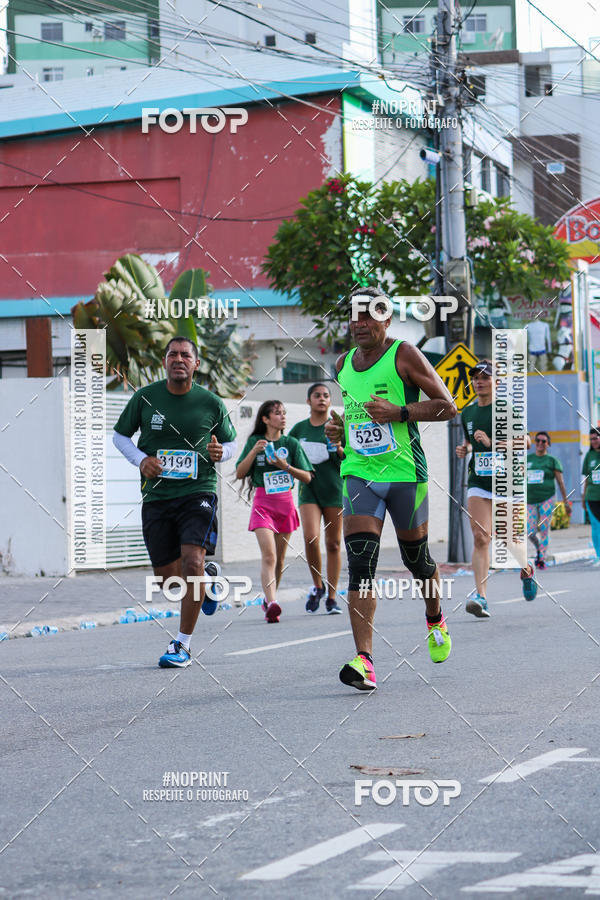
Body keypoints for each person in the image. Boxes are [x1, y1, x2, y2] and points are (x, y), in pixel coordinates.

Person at [326, 286, 457, 692]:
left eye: (369, 316)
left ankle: (435, 617)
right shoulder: (343, 363)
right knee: (360, 561)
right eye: (355, 316)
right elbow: (355, 420)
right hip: (360, 472)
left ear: (386, 319)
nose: (360, 323)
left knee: (416, 559)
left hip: (405, 474)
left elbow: (448, 405)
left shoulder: (404, 354)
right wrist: (339, 431)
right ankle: (364, 660)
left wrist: (400, 412)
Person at [113, 336, 237, 668]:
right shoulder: (145, 398)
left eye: (185, 355)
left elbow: (232, 444)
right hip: (157, 496)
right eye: (173, 354)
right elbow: (120, 436)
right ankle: (209, 582)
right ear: (165, 362)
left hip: (199, 492)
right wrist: (141, 460)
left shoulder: (210, 402)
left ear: (196, 364)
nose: (178, 359)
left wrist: (220, 452)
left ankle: (182, 644)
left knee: (192, 561)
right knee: (168, 579)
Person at [456, 360, 536, 614]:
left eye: (485, 377)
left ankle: (526, 569)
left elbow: (526, 441)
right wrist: (465, 448)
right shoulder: (467, 413)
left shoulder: (505, 409)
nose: (479, 381)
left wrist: (494, 443)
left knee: (509, 538)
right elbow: (471, 442)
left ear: (496, 382)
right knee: (481, 537)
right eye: (476, 377)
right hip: (479, 480)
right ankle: (481, 597)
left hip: (505, 480)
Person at [236, 400, 313, 622]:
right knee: (268, 555)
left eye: (284, 413)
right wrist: (253, 451)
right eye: (277, 413)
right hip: (263, 504)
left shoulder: (291, 443)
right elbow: (240, 473)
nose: (283, 417)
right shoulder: (255, 441)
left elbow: (307, 477)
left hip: (285, 503)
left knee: (279, 560)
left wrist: (284, 466)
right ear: (265, 419)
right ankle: (273, 602)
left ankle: (270, 601)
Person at [289, 384, 344, 615]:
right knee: (311, 537)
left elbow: (350, 456)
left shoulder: (337, 428)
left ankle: (332, 597)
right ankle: (317, 585)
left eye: (326, 396)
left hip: (334, 489)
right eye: (317, 395)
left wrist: (340, 446)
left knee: (333, 544)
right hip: (308, 491)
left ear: (330, 401)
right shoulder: (299, 429)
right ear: (308, 401)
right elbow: (287, 456)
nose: (321, 399)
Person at [527, 431, 571, 568]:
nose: (540, 443)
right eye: (538, 440)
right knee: (530, 531)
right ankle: (540, 548)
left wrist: (565, 502)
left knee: (544, 528)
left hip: (547, 498)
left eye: (543, 441)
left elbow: (561, 483)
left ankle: (541, 558)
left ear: (548, 444)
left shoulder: (552, 461)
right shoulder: (527, 460)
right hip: (530, 500)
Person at [582, 427, 600, 564]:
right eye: (591, 439)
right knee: (596, 527)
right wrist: (583, 497)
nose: (593, 441)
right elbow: (587, 478)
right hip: (592, 497)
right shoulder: (589, 456)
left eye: (596, 438)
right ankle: (599, 555)